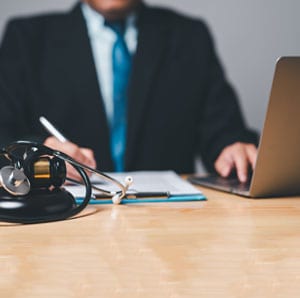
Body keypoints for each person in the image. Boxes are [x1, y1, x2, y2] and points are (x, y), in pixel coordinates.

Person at [0, 0, 258, 182]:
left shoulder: (189, 36)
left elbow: (224, 130)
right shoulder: (26, 38)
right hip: (64, 222)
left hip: (171, 226)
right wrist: (39, 152)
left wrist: (234, 148)